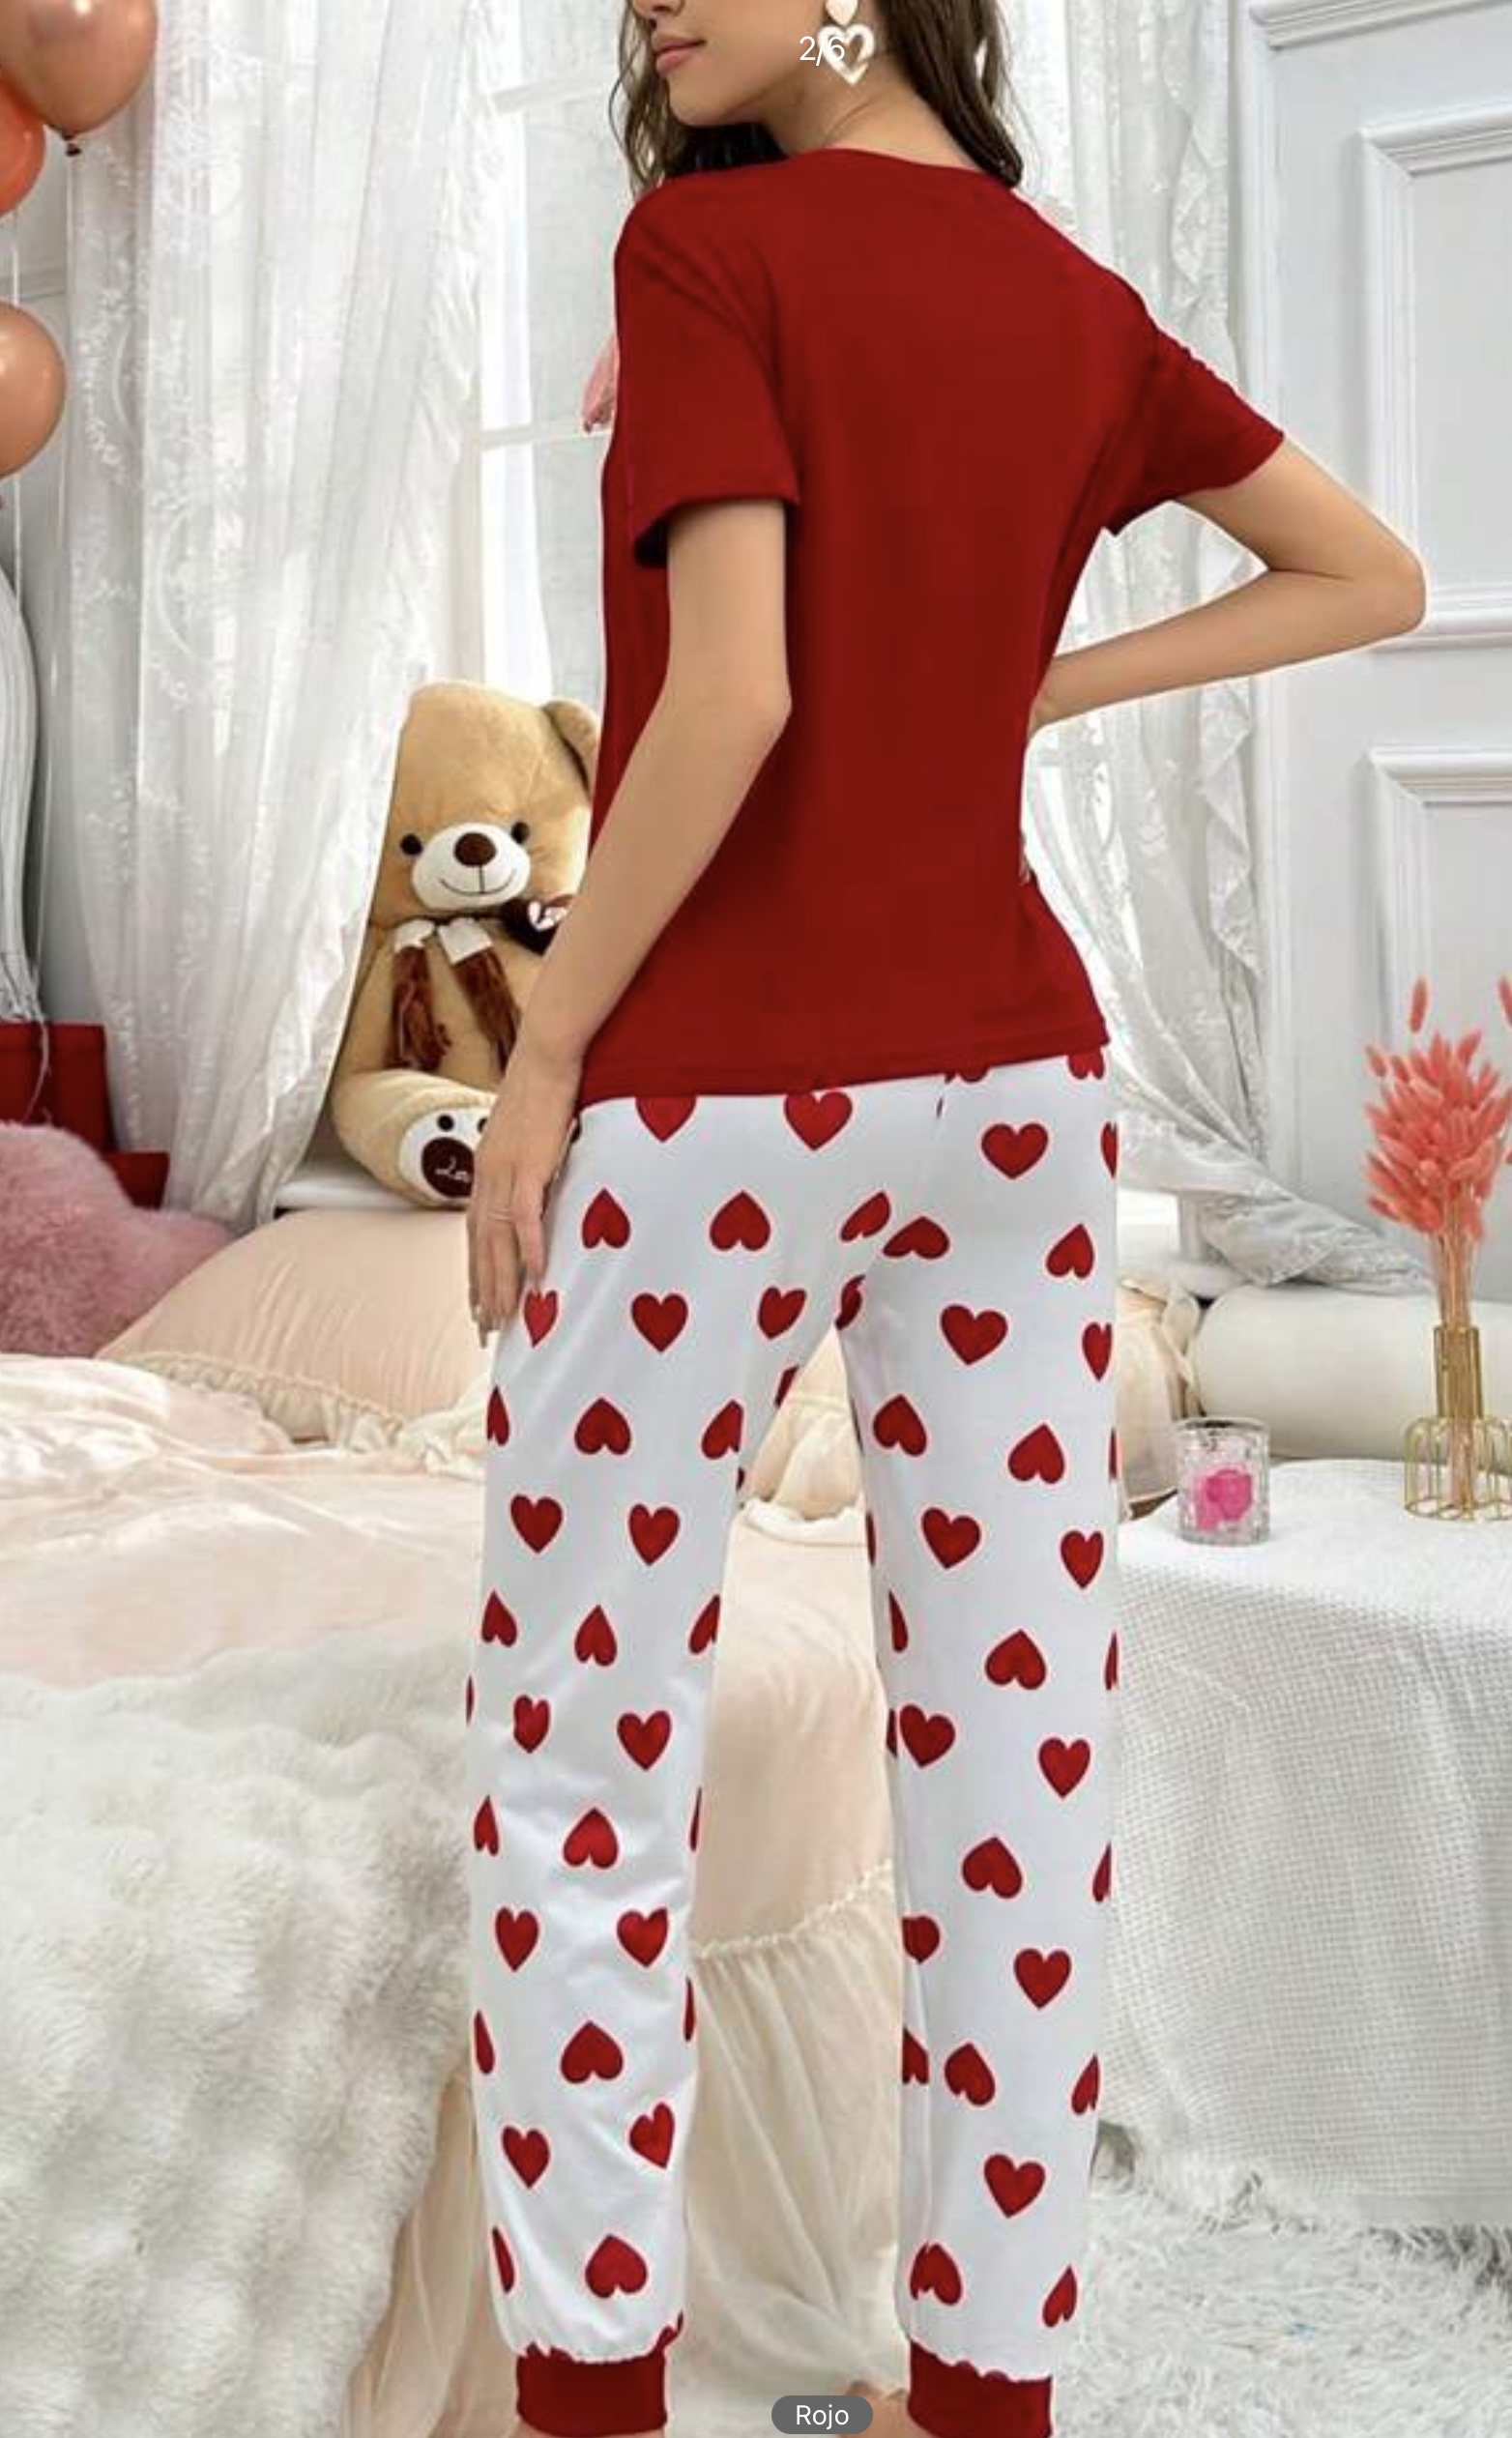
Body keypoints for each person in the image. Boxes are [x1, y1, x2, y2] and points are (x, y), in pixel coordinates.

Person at [462, 4, 1426, 2435]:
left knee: (581, 1753)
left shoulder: (707, 256)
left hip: (708, 1099)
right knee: (1015, 1756)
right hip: (1005, 1098)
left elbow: (732, 699)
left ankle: (592, 2398)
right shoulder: (1063, 298)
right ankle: (978, 2394)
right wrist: (1017, 685)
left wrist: (545, 1047)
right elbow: (1368, 572)